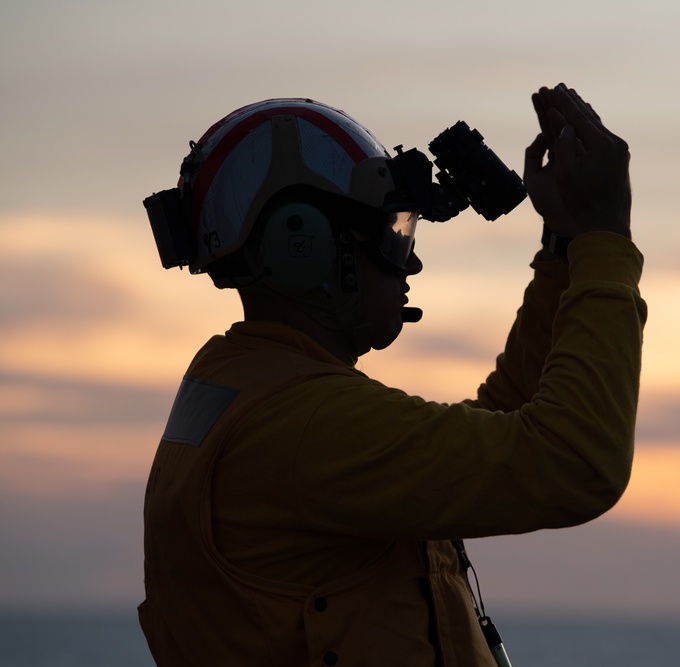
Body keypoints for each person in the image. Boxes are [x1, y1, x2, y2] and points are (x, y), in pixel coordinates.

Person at [139, 83, 646, 667]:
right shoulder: (306, 424)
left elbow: (502, 428)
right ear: (301, 242)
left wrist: (564, 247)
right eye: (397, 228)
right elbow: (573, 461)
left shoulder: (250, 388)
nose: (412, 260)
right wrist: (607, 238)